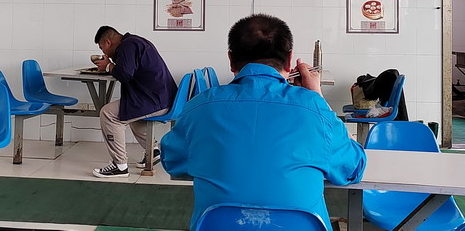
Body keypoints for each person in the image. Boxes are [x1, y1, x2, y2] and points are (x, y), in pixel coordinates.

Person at [160, 14, 366, 230]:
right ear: (289, 60)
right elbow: (353, 168)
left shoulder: (200, 106)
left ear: (230, 60)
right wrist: (317, 96)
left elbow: (172, 162)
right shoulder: (314, 108)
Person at [91, 26, 177, 178]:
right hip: (163, 98)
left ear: (108, 42)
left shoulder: (127, 46)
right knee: (129, 111)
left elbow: (124, 75)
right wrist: (111, 65)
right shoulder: (135, 42)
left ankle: (119, 166)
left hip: (155, 101)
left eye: (102, 47)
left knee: (108, 114)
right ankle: (153, 151)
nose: (104, 52)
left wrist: (108, 66)